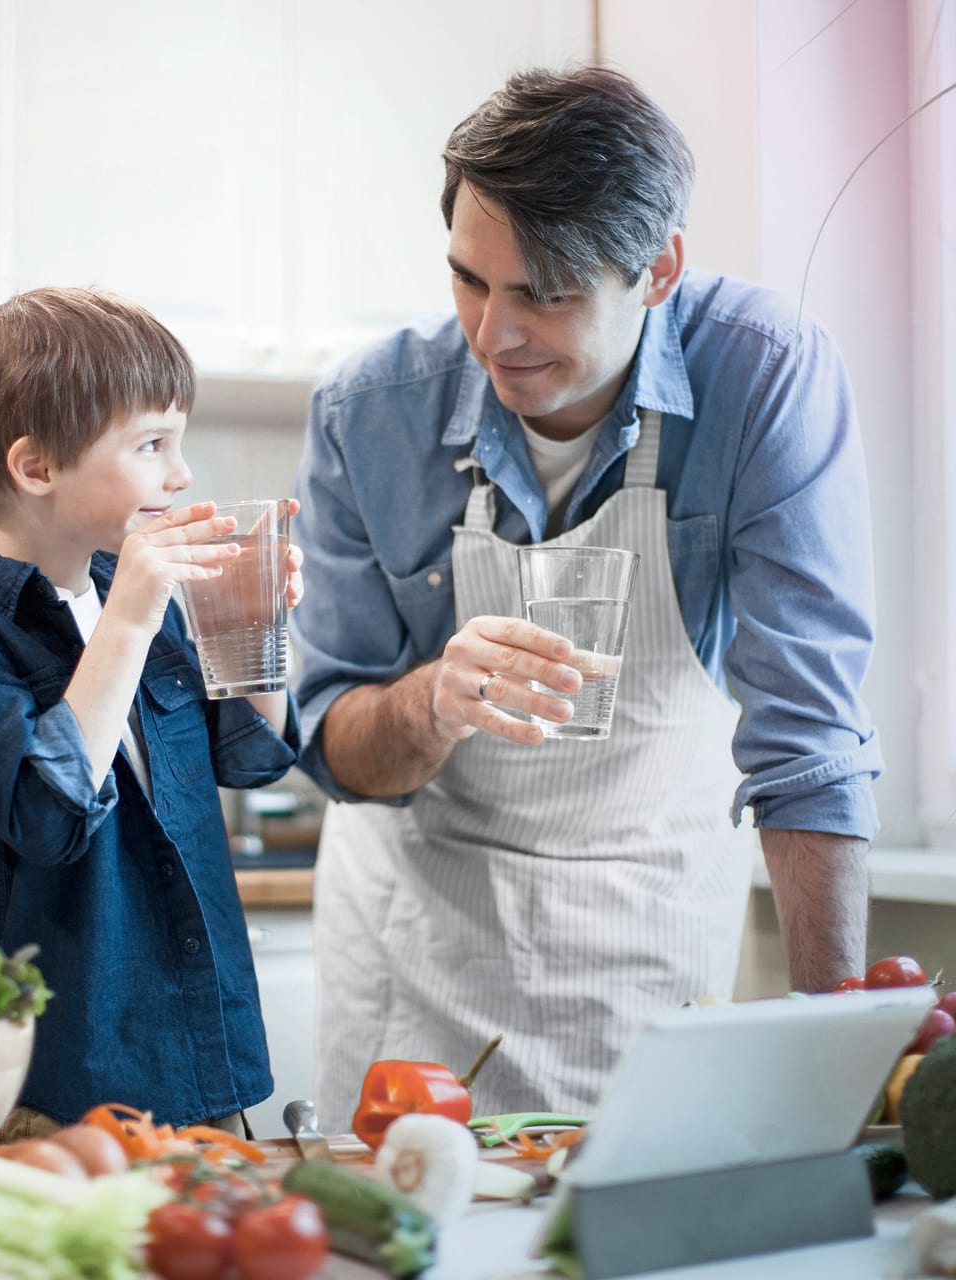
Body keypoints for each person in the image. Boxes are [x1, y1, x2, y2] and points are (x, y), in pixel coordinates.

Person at [291, 67, 881, 1126]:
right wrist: (429, 702)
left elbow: (809, 744)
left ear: (657, 270)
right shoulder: (364, 413)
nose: (491, 334)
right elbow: (332, 749)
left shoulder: (761, 378)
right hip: (416, 959)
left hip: (643, 944)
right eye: (470, 280)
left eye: (544, 293)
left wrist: (832, 1067)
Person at [0, 287, 304, 1141]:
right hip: (57, 1088)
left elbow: (251, 756)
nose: (181, 474)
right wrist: (128, 623)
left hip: (199, 1058)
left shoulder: (126, 586)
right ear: (37, 468)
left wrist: (257, 625)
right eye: (152, 444)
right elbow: (47, 815)